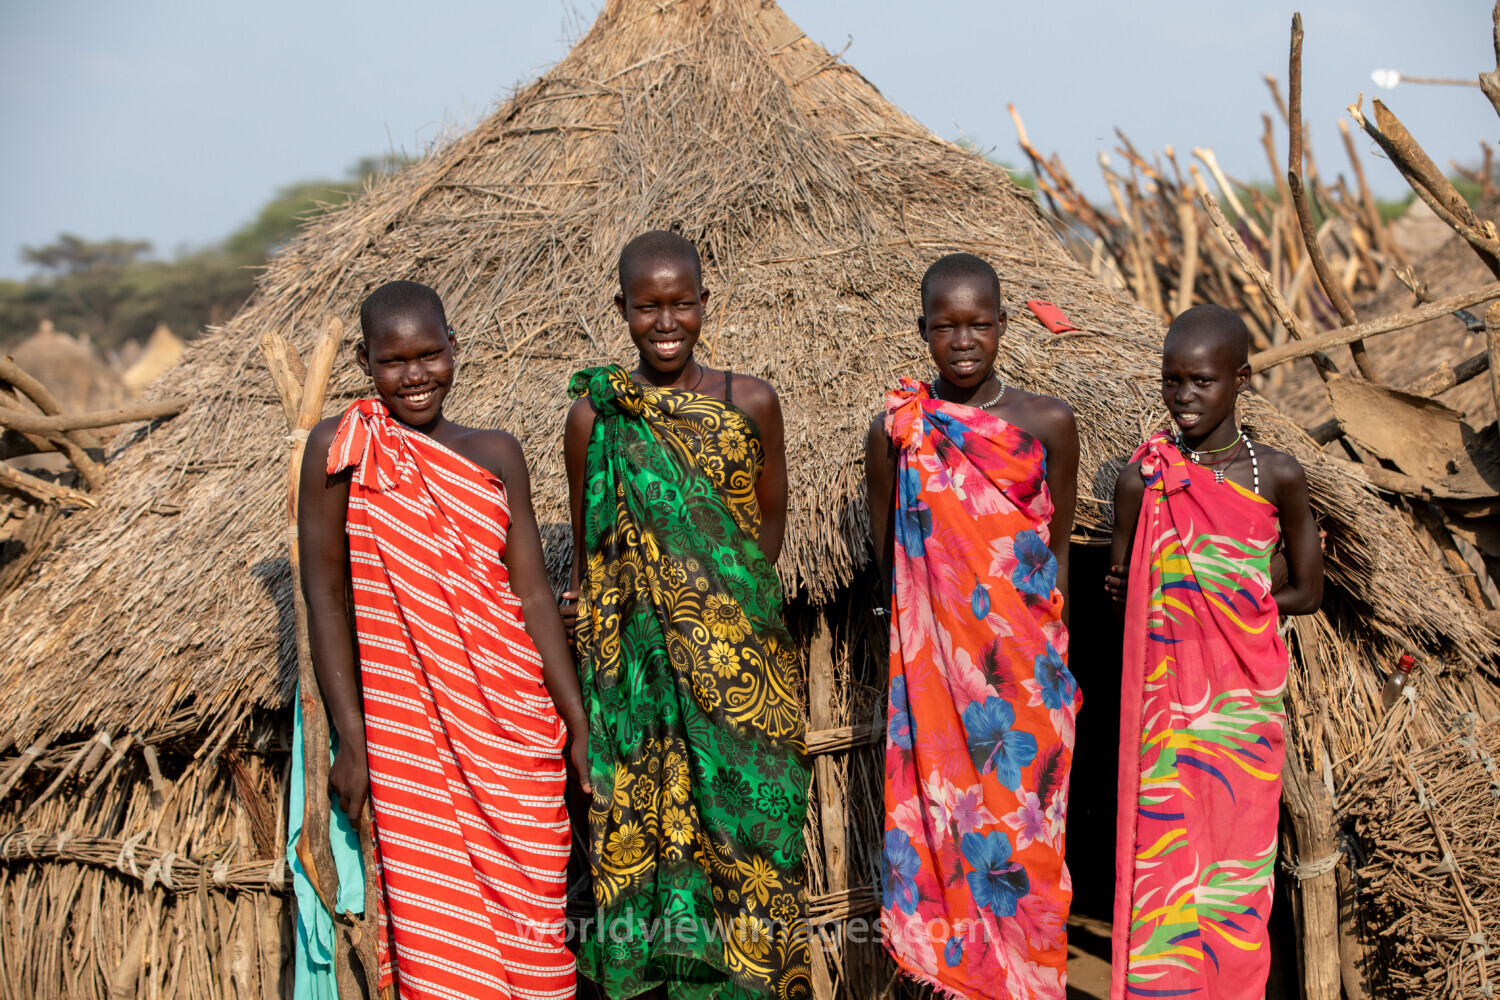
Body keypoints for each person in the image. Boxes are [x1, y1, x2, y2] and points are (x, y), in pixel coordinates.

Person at [296, 279, 590, 1000]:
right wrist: (353, 739)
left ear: (454, 349)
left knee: (539, 931)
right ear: (365, 361)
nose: (415, 375)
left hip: (513, 725)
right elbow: (325, 597)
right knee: (441, 941)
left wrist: (577, 723)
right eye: (394, 361)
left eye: (430, 354)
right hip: (412, 740)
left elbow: (529, 594)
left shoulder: (496, 452)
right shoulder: (341, 449)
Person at [560, 231, 811, 1000]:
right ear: (622, 310)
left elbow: (766, 530)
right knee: (655, 847)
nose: (665, 322)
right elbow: (593, 545)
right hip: (639, 679)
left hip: (745, 672)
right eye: (647, 307)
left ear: (706, 304)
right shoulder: (594, 418)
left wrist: (722, 600)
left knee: (755, 841)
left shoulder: (751, 401)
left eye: (680, 304)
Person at [865, 253, 1081, 1000]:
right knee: (949, 828)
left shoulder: (1047, 421)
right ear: (922, 329)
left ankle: (1031, 979)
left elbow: (1053, 551)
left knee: (1031, 837)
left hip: (1029, 675)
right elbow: (888, 550)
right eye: (946, 326)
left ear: (1003, 326)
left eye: (979, 324)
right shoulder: (900, 428)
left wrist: (1051, 654)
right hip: (936, 678)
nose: (963, 340)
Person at [1105, 303, 1323, 1000]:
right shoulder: (1143, 479)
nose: (1184, 397)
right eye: (1172, 381)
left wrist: (1236, 611)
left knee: (1236, 867)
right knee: (1164, 854)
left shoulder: (1278, 477)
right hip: (1164, 704)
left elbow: (1308, 590)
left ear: (1241, 379)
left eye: (1201, 380)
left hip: (1241, 709)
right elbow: (1123, 583)